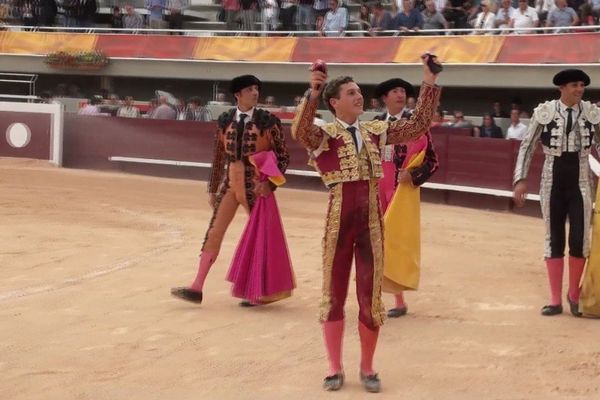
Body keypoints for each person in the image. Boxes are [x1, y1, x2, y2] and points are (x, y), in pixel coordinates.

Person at [291, 56, 441, 393]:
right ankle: (333, 366)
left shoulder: (376, 130)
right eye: (351, 93)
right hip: (338, 223)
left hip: (371, 223)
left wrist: (429, 82)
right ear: (334, 102)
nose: (359, 96)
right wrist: (312, 92)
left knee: (369, 296)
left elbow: (417, 126)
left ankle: (368, 367)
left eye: (359, 92)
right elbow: (300, 130)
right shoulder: (324, 134)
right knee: (333, 294)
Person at [171, 75, 289, 306]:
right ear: (238, 94)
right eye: (249, 89)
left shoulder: (268, 120)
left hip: (255, 185)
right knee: (214, 232)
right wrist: (213, 188)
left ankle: (261, 292)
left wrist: (270, 184)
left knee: (259, 237)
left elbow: (283, 155)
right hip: (230, 182)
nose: (255, 93)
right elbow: (218, 156)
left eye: (257, 89)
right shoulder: (225, 119)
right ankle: (197, 286)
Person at [513, 69, 600, 317]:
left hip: (582, 182)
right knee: (554, 238)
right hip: (551, 182)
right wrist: (520, 179)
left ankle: (573, 294)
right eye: (574, 85)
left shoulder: (592, 113)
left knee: (580, 238)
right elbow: (527, 147)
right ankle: (554, 299)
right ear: (561, 88)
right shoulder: (545, 112)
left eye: (582, 85)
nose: (580, 89)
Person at [373, 78, 439, 318]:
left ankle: (398, 300)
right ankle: (380, 297)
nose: (401, 94)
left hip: (401, 194)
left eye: (403, 91)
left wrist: (413, 174)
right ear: (385, 98)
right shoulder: (375, 125)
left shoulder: (416, 124)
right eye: (395, 91)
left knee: (396, 242)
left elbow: (433, 161)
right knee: (375, 242)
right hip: (376, 191)